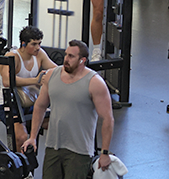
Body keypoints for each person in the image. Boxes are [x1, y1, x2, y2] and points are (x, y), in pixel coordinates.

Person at [21, 40, 114, 178]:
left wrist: (104, 153)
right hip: (53, 146)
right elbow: (40, 106)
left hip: (80, 151)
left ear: (82, 60)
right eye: (66, 55)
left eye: (71, 56)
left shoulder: (95, 83)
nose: (66, 59)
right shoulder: (52, 75)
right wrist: (33, 137)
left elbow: (107, 118)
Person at [0, 26, 57, 151]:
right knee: (21, 137)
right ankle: (22, 168)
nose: (38, 47)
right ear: (23, 44)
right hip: (9, 104)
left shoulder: (39, 54)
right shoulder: (12, 56)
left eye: (39, 43)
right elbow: (7, 81)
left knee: (58, 126)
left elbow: (56, 70)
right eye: (34, 44)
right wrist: (35, 81)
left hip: (30, 104)